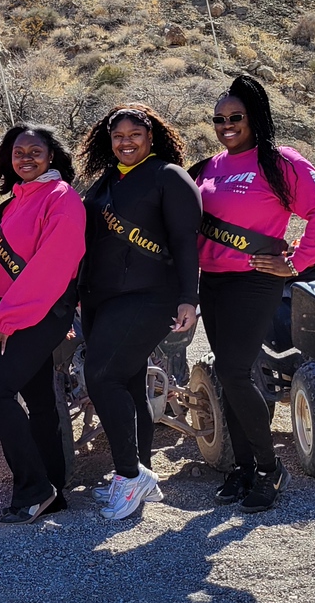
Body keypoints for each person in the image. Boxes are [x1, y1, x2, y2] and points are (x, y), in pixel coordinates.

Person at [192, 75, 315, 513]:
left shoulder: (280, 161)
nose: (226, 125)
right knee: (228, 374)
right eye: (219, 119)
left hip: (254, 280)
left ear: (254, 118)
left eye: (235, 117)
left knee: (235, 371)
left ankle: (269, 467)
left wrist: (297, 262)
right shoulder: (208, 167)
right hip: (212, 281)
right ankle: (243, 469)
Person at [77, 105, 201, 521]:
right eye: (118, 136)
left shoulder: (169, 176)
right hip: (100, 296)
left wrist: (189, 297)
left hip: (149, 295)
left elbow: (185, 242)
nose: (125, 142)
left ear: (151, 137)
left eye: (134, 135)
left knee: (102, 376)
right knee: (129, 385)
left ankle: (130, 477)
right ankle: (138, 474)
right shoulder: (107, 179)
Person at [0, 123, 85, 525]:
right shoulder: (13, 203)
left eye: (35, 151)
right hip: (17, 311)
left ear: (51, 156)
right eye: (18, 152)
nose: (26, 158)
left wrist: (8, 318)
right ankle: (53, 487)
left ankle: (34, 489)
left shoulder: (61, 197)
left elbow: (51, 266)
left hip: (40, 312)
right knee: (39, 399)